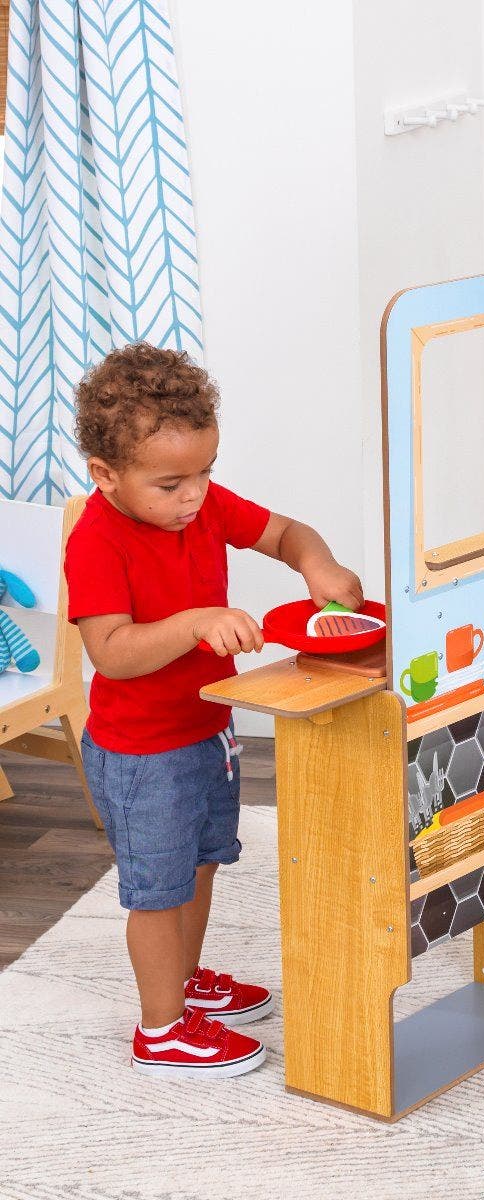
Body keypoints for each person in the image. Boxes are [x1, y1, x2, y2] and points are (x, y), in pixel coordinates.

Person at [66, 343, 363, 1078]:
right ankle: (161, 1029)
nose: (195, 496)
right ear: (105, 474)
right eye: (172, 483)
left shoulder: (198, 505)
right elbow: (112, 652)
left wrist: (318, 564)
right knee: (157, 894)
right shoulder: (97, 541)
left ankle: (185, 983)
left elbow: (286, 533)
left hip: (207, 729)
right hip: (142, 754)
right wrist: (196, 622)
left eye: (206, 472)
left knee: (200, 868)